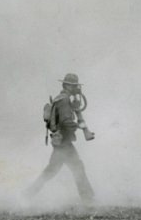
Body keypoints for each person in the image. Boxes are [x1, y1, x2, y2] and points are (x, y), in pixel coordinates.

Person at [25, 73, 95, 204]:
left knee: (52, 171)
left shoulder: (63, 99)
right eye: (74, 86)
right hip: (64, 141)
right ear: (67, 86)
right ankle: (88, 199)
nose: (77, 89)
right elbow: (65, 121)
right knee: (77, 168)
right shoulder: (64, 100)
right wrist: (80, 127)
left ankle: (28, 194)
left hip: (62, 141)